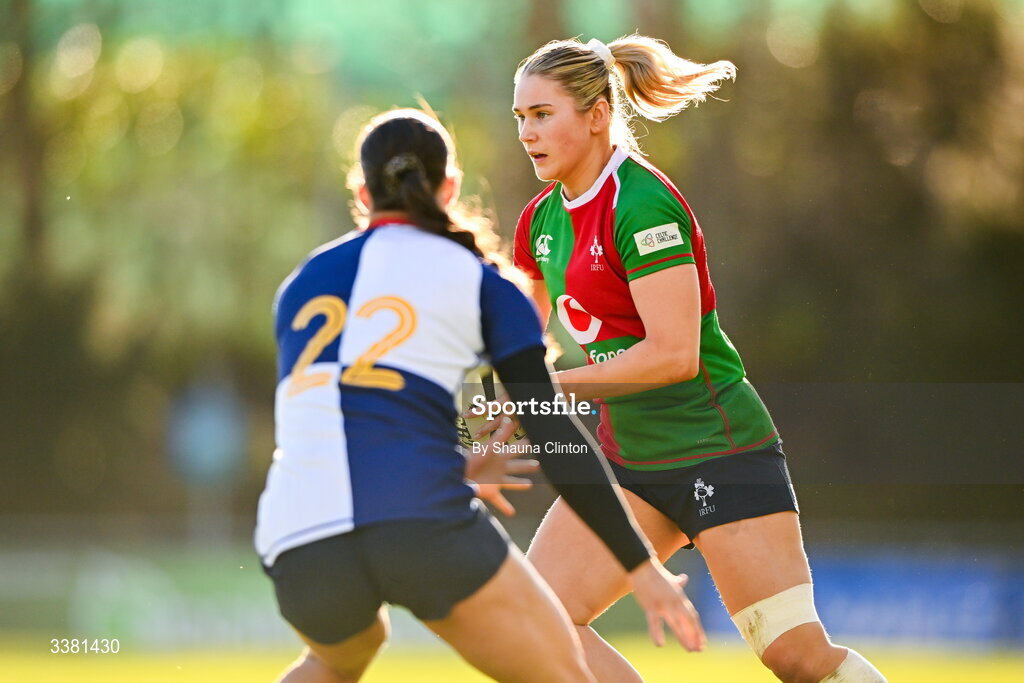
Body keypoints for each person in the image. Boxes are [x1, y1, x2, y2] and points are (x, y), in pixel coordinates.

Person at [484, 35, 888, 682]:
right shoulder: (540, 222)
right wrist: (480, 407)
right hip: (632, 463)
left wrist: (555, 385)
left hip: (718, 450)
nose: (527, 132)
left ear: (596, 116)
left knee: (796, 655)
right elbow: (523, 351)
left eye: (542, 114)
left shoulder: (641, 202)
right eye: (520, 117)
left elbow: (674, 355)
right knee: (537, 621)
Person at [253, 108, 704, 683]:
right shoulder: (482, 281)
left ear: (363, 193)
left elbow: (336, 425)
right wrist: (640, 567)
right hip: (420, 522)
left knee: (336, 660)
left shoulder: (302, 284)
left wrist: (456, 461)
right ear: (450, 188)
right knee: (564, 673)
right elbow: (553, 433)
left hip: (296, 533)